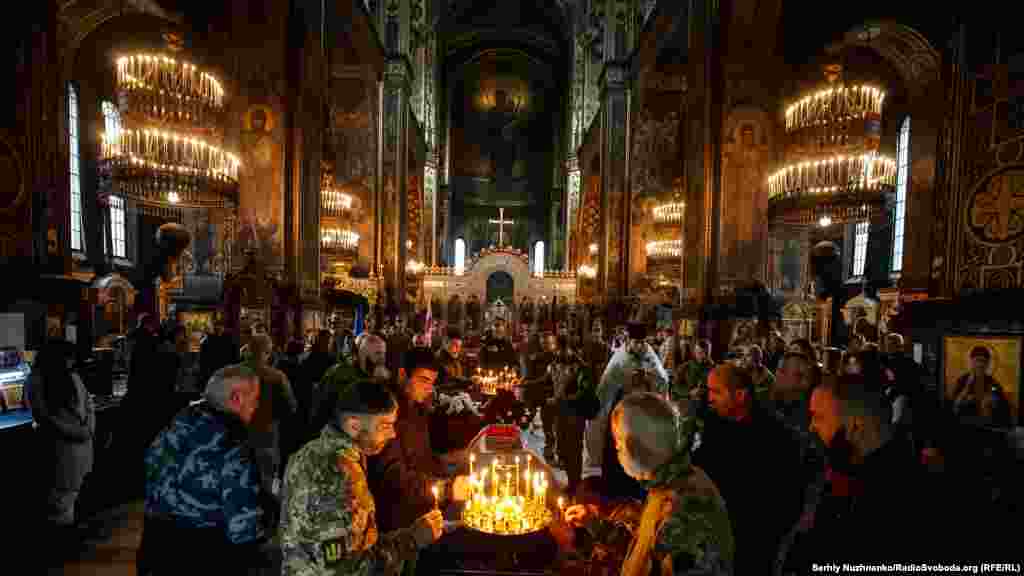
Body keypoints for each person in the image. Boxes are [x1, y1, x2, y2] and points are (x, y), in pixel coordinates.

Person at [554, 392, 734, 575]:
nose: (617, 449)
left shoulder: (681, 512)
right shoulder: (670, 482)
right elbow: (646, 552)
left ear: (638, 447)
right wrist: (595, 525)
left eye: (619, 443)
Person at [280, 379, 442, 575]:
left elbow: (353, 542)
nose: (393, 434)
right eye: (384, 426)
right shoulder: (337, 475)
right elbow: (343, 568)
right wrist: (412, 539)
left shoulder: (311, 452)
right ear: (354, 425)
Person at [776, 374, 931, 571]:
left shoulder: (889, 494)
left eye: (818, 417)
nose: (812, 427)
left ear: (855, 425)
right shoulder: (845, 468)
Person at [139, 365, 268, 575]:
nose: (256, 406)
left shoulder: (178, 423)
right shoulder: (232, 442)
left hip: (155, 547)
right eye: (255, 399)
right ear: (236, 398)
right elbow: (242, 524)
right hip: (203, 556)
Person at [694, 365, 802, 574]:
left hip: (754, 539)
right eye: (709, 391)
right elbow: (703, 463)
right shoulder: (715, 420)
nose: (710, 398)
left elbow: (783, 500)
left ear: (741, 395)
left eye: (716, 392)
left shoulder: (777, 436)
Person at [368, 349, 470, 535]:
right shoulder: (385, 415)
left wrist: (449, 463)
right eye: (423, 380)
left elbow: (422, 458)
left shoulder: (416, 407)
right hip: (398, 525)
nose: (429, 388)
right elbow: (392, 478)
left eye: (432, 382)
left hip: (424, 506)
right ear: (402, 374)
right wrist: (447, 488)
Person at [29, 337, 95, 545]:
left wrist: (83, 430)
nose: (71, 362)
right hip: (65, 446)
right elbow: (46, 416)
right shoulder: (40, 380)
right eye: (68, 357)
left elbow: (44, 416)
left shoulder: (63, 378)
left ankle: (65, 537)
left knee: (69, 493)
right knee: (62, 495)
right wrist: (84, 430)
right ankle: (62, 539)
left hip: (73, 444)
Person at [583, 322, 669, 477]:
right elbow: (606, 387)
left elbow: (662, 380)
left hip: (643, 411)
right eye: (637, 342)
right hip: (623, 409)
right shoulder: (620, 358)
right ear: (629, 341)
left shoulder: (649, 353)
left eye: (643, 342)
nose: (640, 346)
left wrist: (647, 377)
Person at [244, 334, 298, 499]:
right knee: (268, 480)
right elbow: (291, 407)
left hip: (237, 433)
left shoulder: (232, 374)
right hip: (267, 434)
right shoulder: (276, 377)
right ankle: (266, 517)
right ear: (268, 352)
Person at [950, 346, 1011, 427]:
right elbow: (954, 406)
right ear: (971, 361)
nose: (980, 364)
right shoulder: (962, 380)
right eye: (977, 360)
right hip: (966, 424)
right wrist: (966, 391)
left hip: (988, 425)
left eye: (984, 361)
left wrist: (994, 402)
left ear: (988, 363)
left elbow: (1004, 408)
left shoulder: (993, 383)